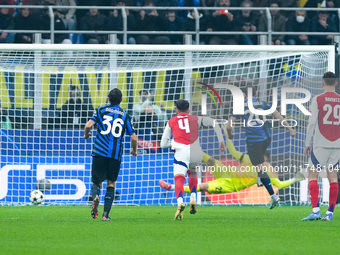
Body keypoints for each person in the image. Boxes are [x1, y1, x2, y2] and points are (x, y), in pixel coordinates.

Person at [160, 128, 305, 197]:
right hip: (227, 172)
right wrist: (227, 135)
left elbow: (279, 185)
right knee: (210, 160)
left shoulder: (266, 169)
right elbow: (234, 151)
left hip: (230, 185)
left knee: (203, 186)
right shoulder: (249, 158)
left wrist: (295, 179)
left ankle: (171, 187)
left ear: (265, 158)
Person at [226, 86, 296, 209]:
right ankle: (259, 177)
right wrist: (290, 129)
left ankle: (273, 196)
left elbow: (228, 126)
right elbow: (278, 116)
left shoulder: (240, 106)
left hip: (254, 141)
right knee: (258, 161)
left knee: (258, 167)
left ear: (244, 95)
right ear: (256, 93)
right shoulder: (263, 103)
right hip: (267, 138)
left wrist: (230, 134)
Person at [160, 99, 226, 220]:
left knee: (179, 178)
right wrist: (221, 140)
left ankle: (180, 203)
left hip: (182, 152)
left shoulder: (171, 121)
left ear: (176, 110)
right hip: (196, 153)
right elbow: (214, 122)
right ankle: (193, 199)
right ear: (189, 110)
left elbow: (163, 144)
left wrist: (175, 142)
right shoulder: (196, 119)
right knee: (193, 173)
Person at [84, 88, 138, 221]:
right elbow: (134, 138)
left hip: (99, 152)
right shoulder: (125, 115)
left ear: (108, 99)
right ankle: (105, 215)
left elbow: (88, 126)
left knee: (96, 182)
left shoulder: (100, 110)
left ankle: (95, 197)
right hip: (115, 154)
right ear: (121, 100)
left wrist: (86, 135)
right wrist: (134, 150)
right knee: (111, 183)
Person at [302, 71, 340, 221]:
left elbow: (312, 123)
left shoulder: (317, 99)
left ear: (323, 82)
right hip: (337, 144)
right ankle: (330, 213)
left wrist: (307, 143)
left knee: (312, 175)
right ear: (336, 83)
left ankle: (316, 210)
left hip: (320, 144)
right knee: (333, 178)